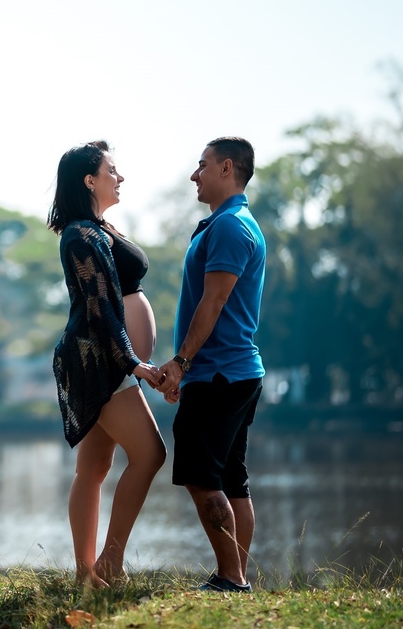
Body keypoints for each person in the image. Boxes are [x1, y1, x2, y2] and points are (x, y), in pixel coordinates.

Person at [48, 140, 166, 588]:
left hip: (112, 362)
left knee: (94, 468)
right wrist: (134, 363)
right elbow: (99, 310)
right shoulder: (80, 235)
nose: (120, 177)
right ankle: (108, 564)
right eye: (111, 170)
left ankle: (87, 575)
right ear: (89, 180)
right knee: (150, 453)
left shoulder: (98, 228)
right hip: (102, 362)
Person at [157, 136, 266, 593]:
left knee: (202, 476)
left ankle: (231, 577)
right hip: (232, 372)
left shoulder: (230, 227)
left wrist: (181, 362)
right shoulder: (225, 223)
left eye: (202, 165)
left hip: (220, 373)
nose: (194, 175)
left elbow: (214, 301)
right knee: (231, 479)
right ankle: (234, 576)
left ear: (226, 168)